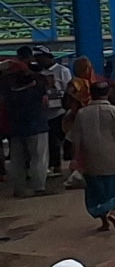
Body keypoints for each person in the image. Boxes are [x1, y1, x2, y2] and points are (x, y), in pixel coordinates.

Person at [67, 87, 115, 232]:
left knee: (96, 193)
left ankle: (104, 222)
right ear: (108, 94)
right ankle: (114, 213)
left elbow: (76, 140)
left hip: (92, 162)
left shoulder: (82, 114)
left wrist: (75, 158)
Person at [2, 50, 49, 198]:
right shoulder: (36, 87)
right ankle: (39, 186)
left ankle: (19, 188)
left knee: (17, 160)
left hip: (15, 127)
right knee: (38, 157)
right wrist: (27, 69)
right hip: (37, 125)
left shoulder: (7, 89)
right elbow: (43, 86)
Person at [35, 47, 68, 180]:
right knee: (47, 141)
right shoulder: (39, 73)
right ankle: (50, 164)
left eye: (41, 58)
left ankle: (57, 165)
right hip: (44, 111)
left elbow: (67, 89)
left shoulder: (62, 71)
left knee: (56, 139)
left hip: (58, 110)